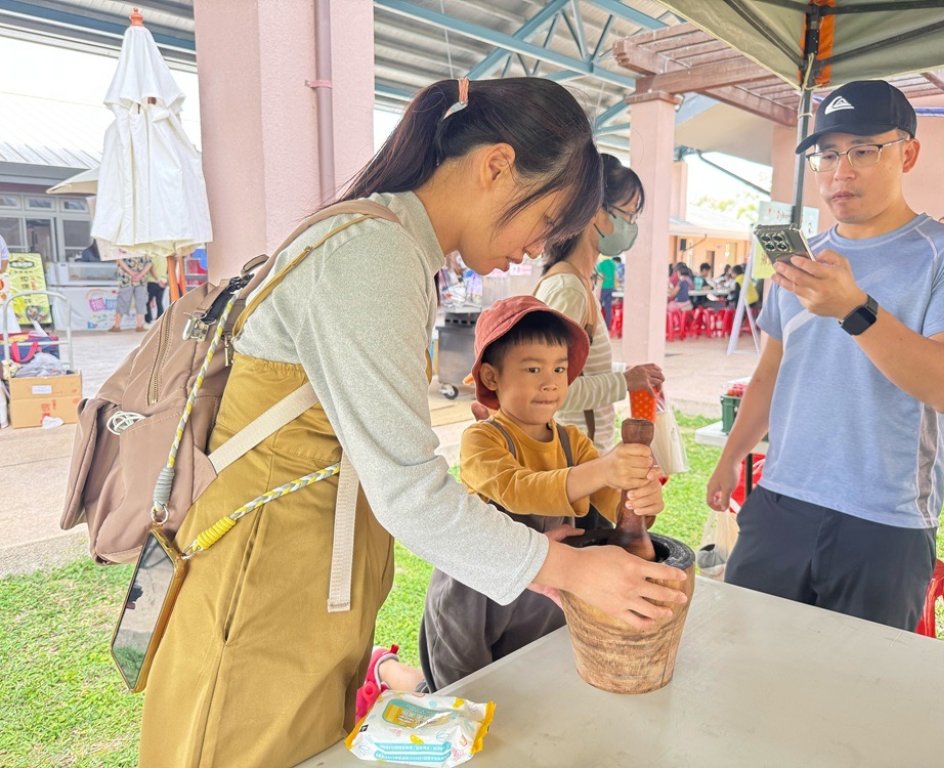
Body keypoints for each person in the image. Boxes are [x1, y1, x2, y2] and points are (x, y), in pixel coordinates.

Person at [138, 77, 686, 768]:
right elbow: (409, 490)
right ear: (497, 166)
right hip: (261, 591)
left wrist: (543, 562)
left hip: (293, 579)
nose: (538, 246)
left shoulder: (388, 245)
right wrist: (572, 570)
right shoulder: (373, 254)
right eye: (547, 219)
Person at [706, 80, 944, 632]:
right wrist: (732, 455)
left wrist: (854, 309)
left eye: (863, 151)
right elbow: (771, 372)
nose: (840, 172)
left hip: (884, 518)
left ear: (908, 154)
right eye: (827, 154)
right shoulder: (802, 261)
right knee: (748, 656)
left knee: (858, 679)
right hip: (780, 500)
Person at [359, 297, 667, 710]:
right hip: (474, 601)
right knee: (459, 701)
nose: (550, 383)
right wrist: (602, 471)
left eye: (559, 369)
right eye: (533, 369)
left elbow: (617, 511)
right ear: (492, 375)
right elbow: (517, 488)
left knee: (522, 691)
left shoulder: (573, 443)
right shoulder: (483, 440)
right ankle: (386, 669)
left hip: (543, 597)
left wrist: (641, 499)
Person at [533, 153, 664, 453]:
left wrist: (627, 372)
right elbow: (551, 389)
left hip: (580, 454)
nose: (631, 226)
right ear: (594, 211)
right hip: (571, 459)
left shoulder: (578, 283)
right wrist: (624, 381)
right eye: (628, 215)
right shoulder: (569, 290)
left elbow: (581, 369)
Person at [110, 254, 151, 332]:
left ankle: (117, 326)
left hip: (126, 279)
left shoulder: (123, 247)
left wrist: (131, 273)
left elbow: (119, 259)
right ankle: (139, 326)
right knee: (141, 302)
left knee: (123, 301)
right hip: (141, 279)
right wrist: (140, 275)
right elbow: (149, 262)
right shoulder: (145, 248)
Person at [144, 254, 168, 322]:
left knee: (147, 302)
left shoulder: (153, 256)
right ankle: (160, 320)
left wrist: (158, 280)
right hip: (163, 281)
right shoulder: (164, 257)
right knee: (159, 302)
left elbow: (151, 268)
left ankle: (148, 320)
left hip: (153, 281)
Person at [595, 252, 617, 323]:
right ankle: (607, 326)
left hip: (603, 288)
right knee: (608, 308)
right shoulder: (612, 264)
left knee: (598, 307)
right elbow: (615, 276)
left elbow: (600, 279)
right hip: (610, 288)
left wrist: (597, 292)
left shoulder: (601, 264)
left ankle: (598, 324)